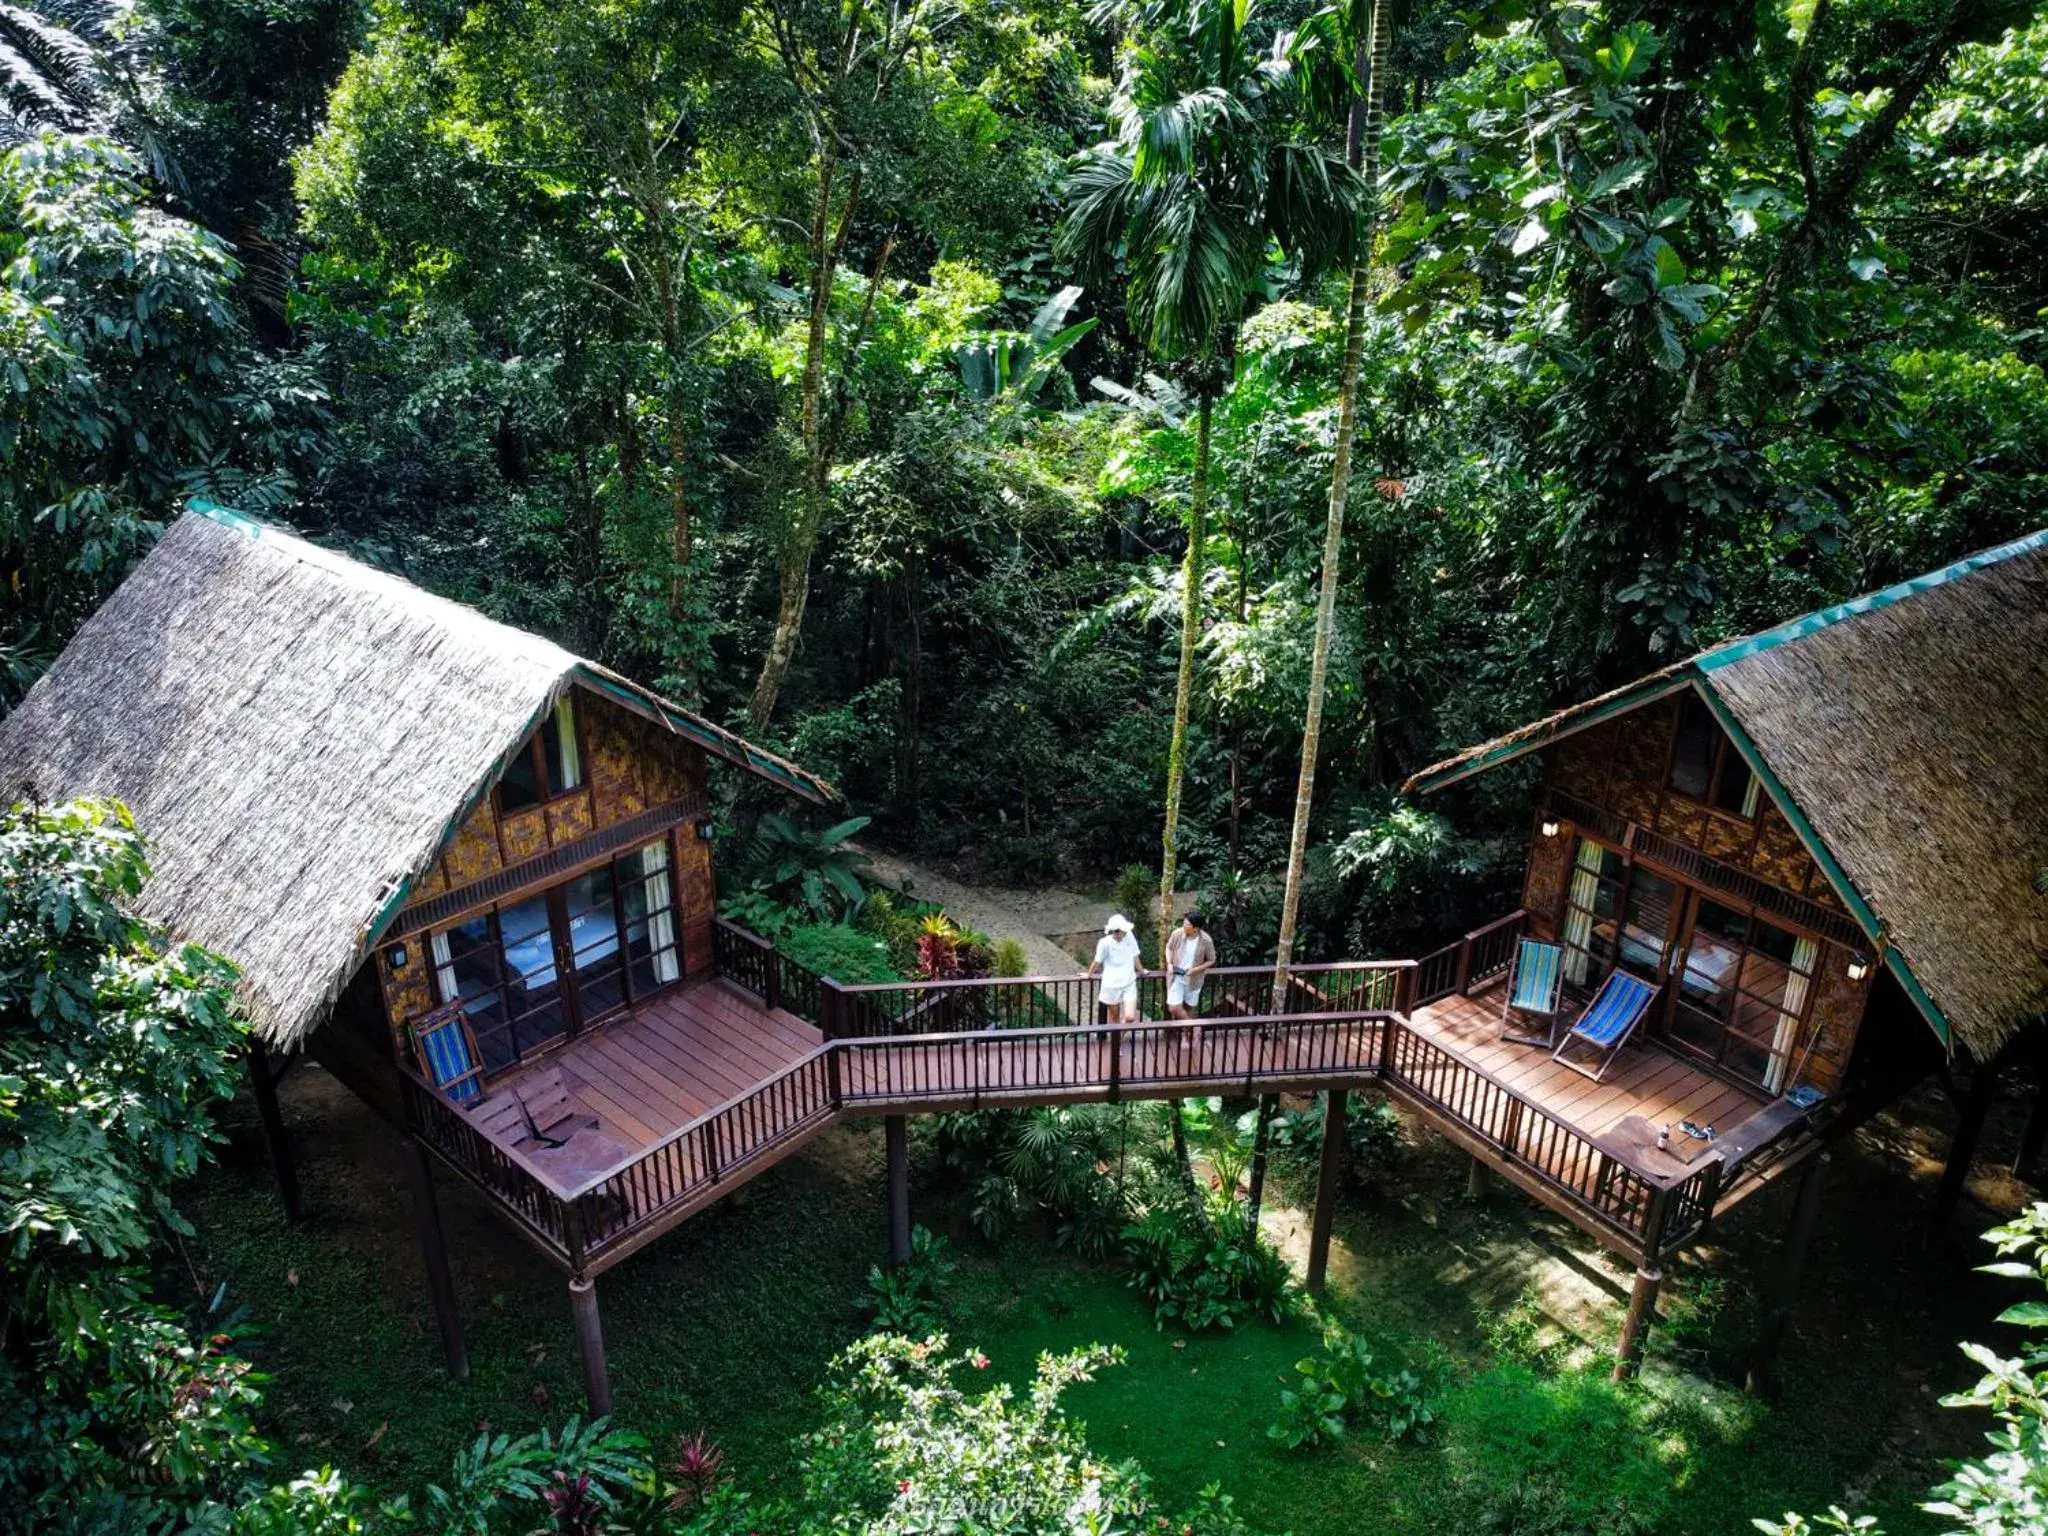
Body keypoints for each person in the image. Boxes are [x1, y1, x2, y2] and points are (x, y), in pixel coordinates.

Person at [1089, 913, 1143, 1024]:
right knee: (1114, 1017)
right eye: (1119, 931)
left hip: (1129, 982)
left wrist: (1142, 970)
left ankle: (1119, 1036)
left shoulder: (1129, 937)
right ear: (1114, 931)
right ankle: (1116, 1040)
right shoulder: (1104, 943)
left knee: (1130, 1017)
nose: (1122, 934)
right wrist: (1088, 974)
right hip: (1111, 984)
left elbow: (1135, 956)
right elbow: (1097, 961)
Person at [1165, 910, 1215, 1021]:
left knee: (1189, 1009)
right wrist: (1169, 963)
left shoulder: (1206, 940)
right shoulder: (1177, 933)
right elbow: (1168, 947)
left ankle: (1185, 1035)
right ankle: (1195, 1027)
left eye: (1187, 925)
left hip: (1194, 979)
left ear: (1195, 928)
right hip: (1176, 977)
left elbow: (1211, 960)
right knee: (1174, 1008)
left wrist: (1195, 970)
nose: (1183, 926)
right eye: (1184, 923)